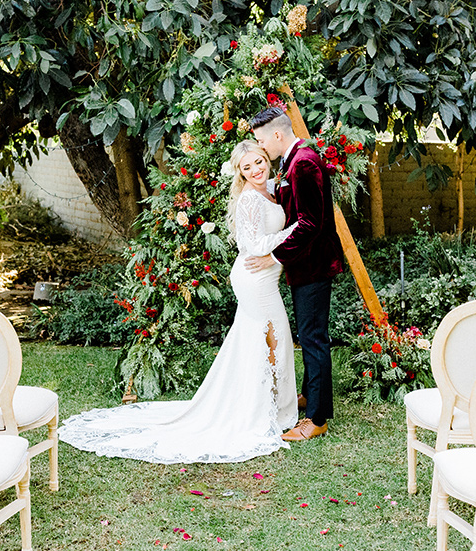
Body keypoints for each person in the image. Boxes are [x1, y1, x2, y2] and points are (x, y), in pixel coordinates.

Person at [58, 140, 299, 463]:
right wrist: (295, 231)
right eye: (247, 167)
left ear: (266, 158)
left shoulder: (270, 188)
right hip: (254, 278)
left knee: (267, 339)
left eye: (258, 162)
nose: (256, 170)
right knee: (271, 337)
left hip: (266, 277)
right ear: (239, 174)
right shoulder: (249, 200)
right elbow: (251, 244)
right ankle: (261, 411)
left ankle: (268, 405)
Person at [246, 106, 344, 442]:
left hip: (314, 264)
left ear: (277, 134)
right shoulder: (293, 160)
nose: (260, 146)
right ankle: (309, 397)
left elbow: (310, 224)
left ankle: (316, 418)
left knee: (314, 338)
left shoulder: (303, 162)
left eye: (261, 139)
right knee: (309, 334)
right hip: (305, 264)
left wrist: (274, 256)